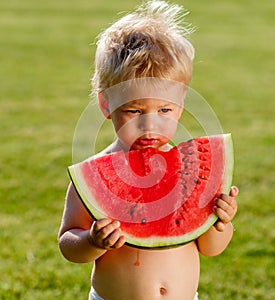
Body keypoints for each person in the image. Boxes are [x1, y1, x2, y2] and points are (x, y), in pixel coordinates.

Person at [58, 1, 239, 299]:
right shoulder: (93, 173)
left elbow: (210, 249)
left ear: (180, 106)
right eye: (134, 111)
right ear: (107, 105)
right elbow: (68, 243)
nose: (150, 125)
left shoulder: (192, 177)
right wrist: (92, 241)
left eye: (165, 109)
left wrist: (219, 223)